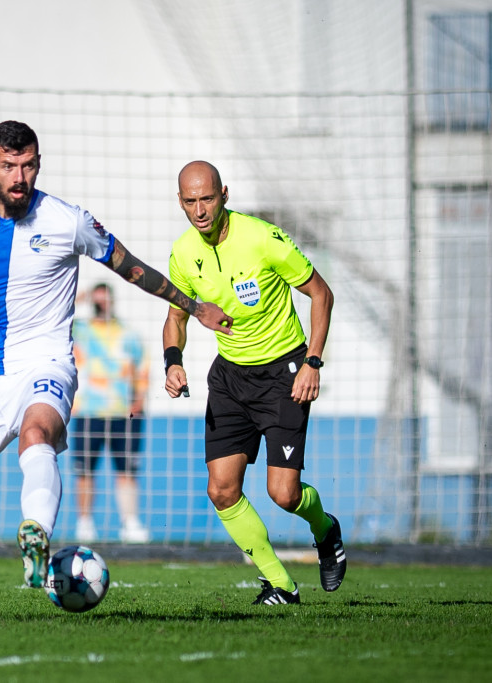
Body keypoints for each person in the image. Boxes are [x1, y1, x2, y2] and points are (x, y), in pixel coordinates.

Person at [0, 121, 233, 621]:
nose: (19, 176)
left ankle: (36, 534)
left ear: (38, 164)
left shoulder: (69, 220)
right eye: (8, 166)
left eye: (28, 165)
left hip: (46, 364)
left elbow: (132, 267)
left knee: (36, 432)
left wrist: (193, 307)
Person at [163, 160, 346, 605]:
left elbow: (321, 294)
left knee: (283, 494)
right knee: (221, 489)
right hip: (230, 379)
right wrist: (173, 361)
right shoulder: (183, 253)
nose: (200, 210)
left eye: (208, 199)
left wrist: (313, 362)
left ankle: (325, 529)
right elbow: (176, 317)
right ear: (180, 202)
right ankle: (281, 585)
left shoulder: (263, 239)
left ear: (224, 195)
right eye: (191, 201)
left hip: (284, 374)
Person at [70, 283, 151, 544]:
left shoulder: (128, 334)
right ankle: (84, 524)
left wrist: (139, 401)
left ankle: (130, 522)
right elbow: (54, 317)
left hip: (123, 413)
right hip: (88, 412)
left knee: (127, 471)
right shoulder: (79, 331)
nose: (101, 305)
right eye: (97, 301)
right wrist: (79, 298)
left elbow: (142, 369)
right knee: (85, 472)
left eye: (105, 300)